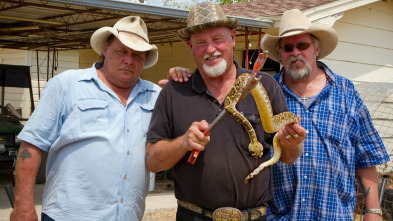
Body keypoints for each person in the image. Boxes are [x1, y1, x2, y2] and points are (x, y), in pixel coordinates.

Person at [146, 2, 306, 221]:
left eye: (217, 39)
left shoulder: (264, 85)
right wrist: (183, 142)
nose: (210, 49)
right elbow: (153, 162)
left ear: (232, 37)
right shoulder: (174, 91)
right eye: (201, 42)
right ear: (189, 46)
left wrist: (292, 144)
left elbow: (289, 157)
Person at [10, 16, 160, 221]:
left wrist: (181, 79)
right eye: (121, 51)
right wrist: (23, 206)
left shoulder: (156, 96)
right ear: (106, 49)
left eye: (137, 55)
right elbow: (32, 146)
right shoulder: (67, 85)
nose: (129, 60)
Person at [260, 9, 390, 221]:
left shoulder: (345, 92)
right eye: (288, 47)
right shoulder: (266, 92)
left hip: (333, 215)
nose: (295, 52)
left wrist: (372, 211)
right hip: (280, 216)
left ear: (316, 49)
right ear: (281, 54)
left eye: (302, 45)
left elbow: (366, 155)